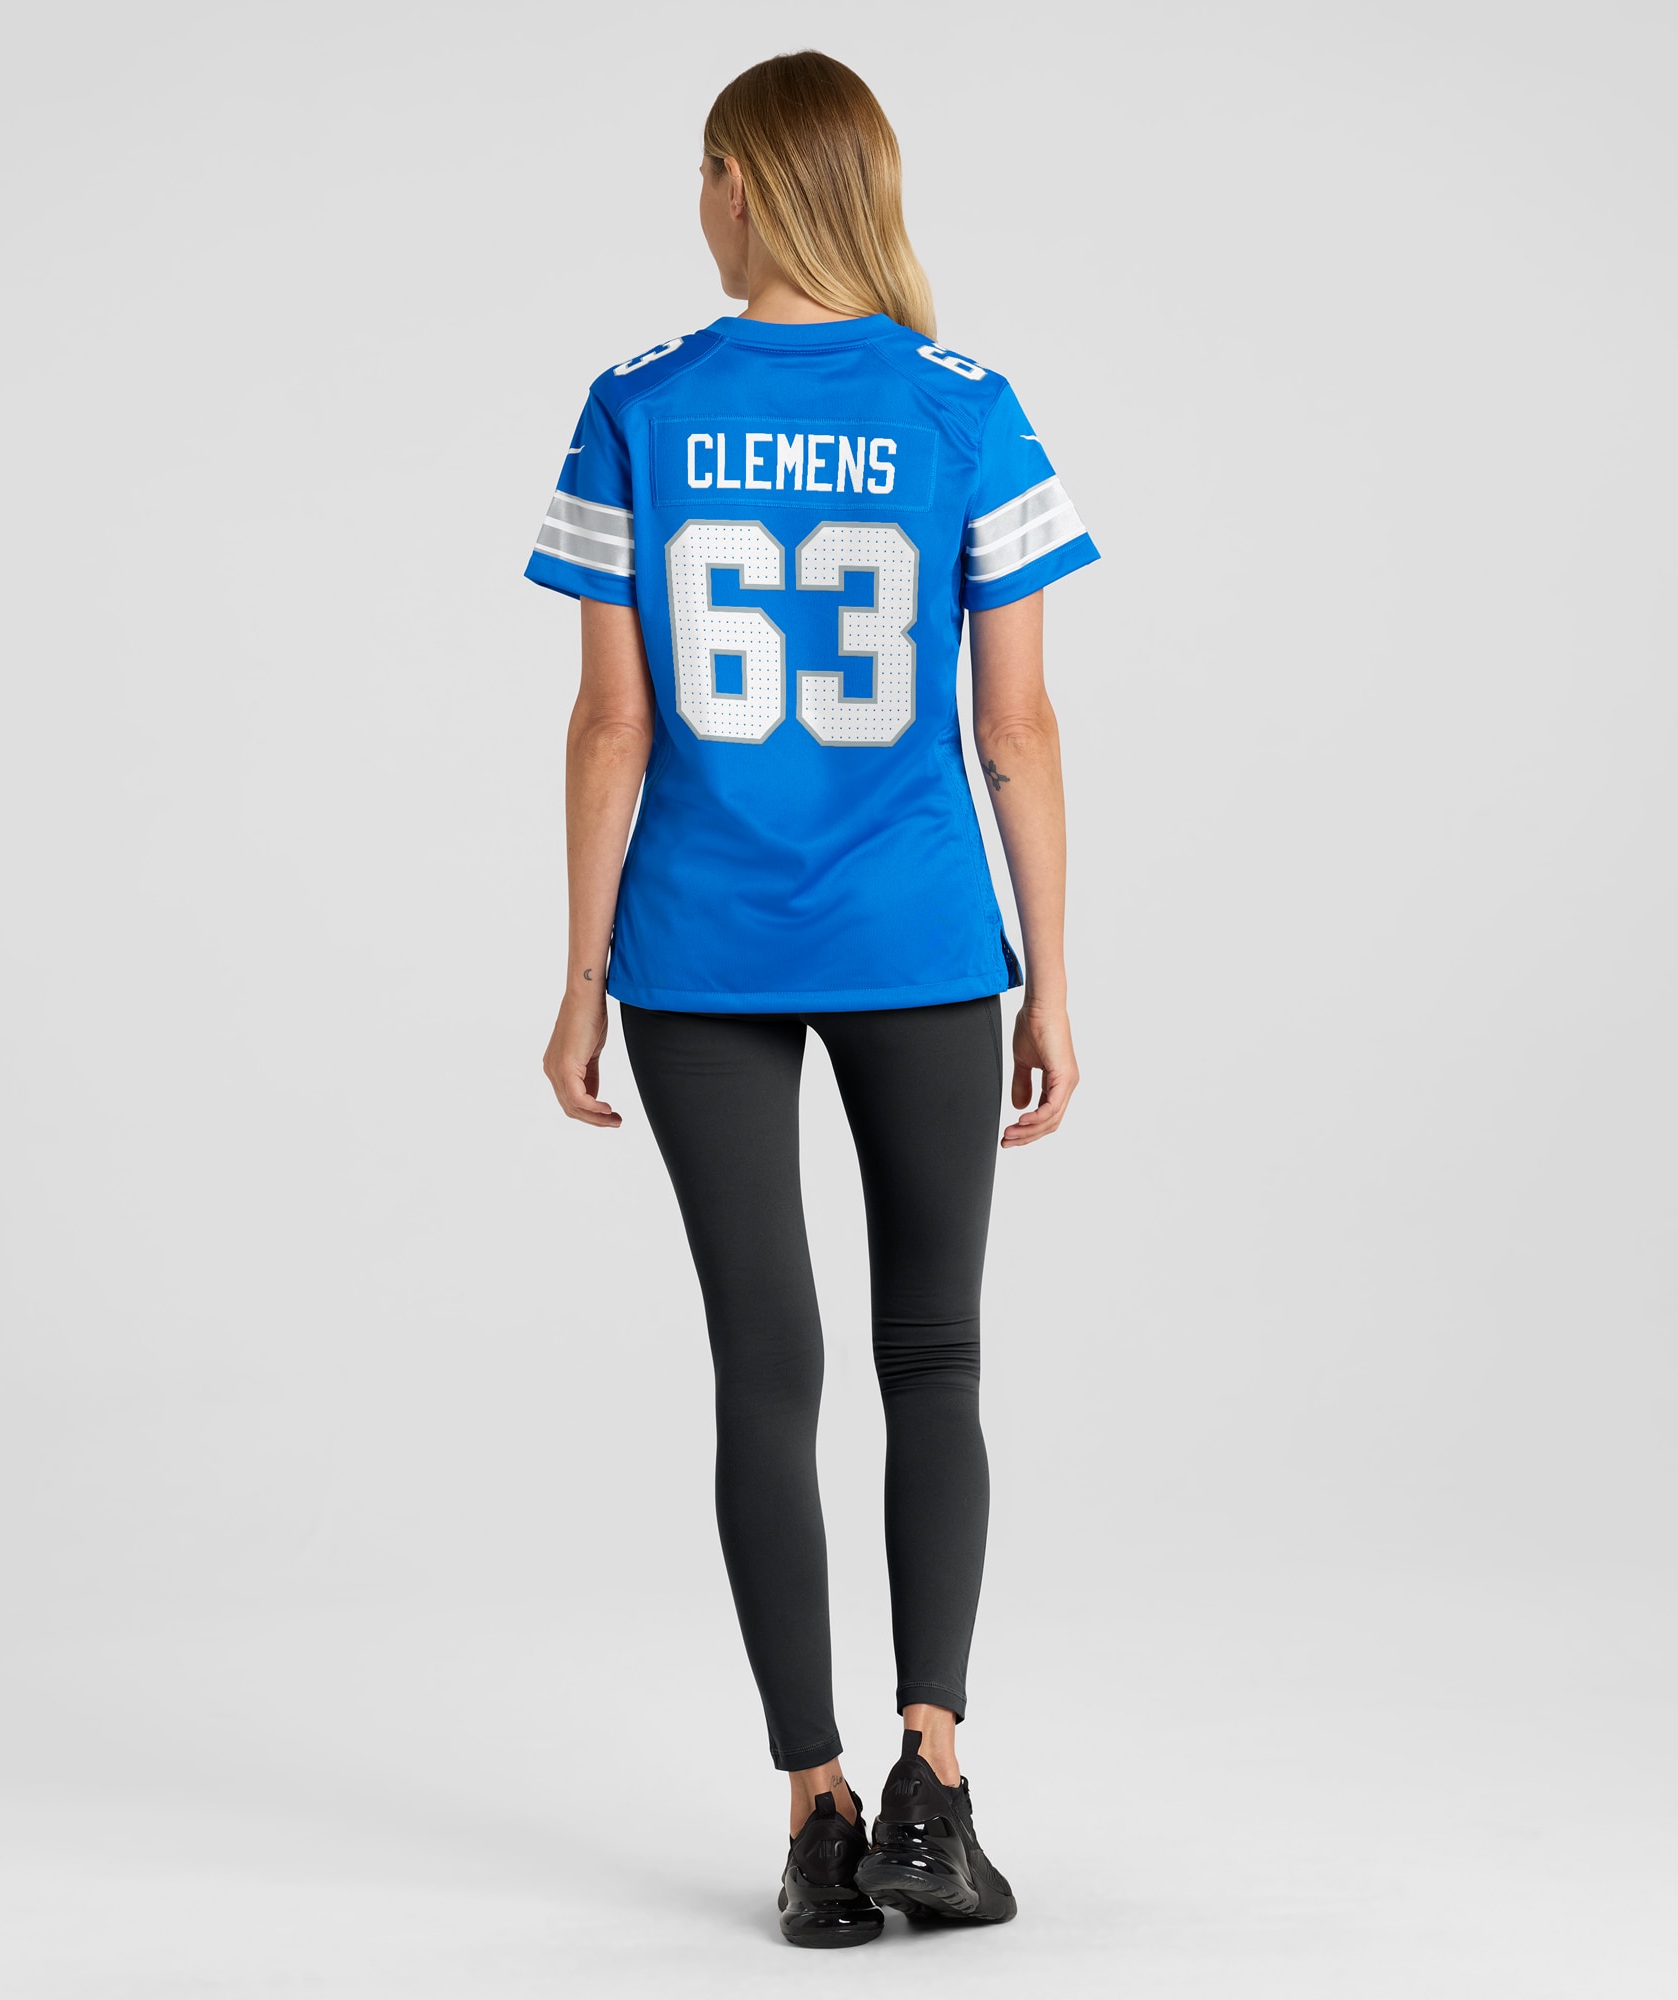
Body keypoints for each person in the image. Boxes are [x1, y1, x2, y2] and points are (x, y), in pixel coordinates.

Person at [527, 50, 1097, 1948]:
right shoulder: (965, 405)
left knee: (765, 1371)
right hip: (922, 938)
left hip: (699, 949)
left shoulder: (636, 406)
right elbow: (1017, 729)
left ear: (741, 185)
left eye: (704, 177)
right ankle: (937, 1786)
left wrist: (581, 977)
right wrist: (1055, 979)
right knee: (933, 1356)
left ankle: (813, 1810)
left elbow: (612, 725)